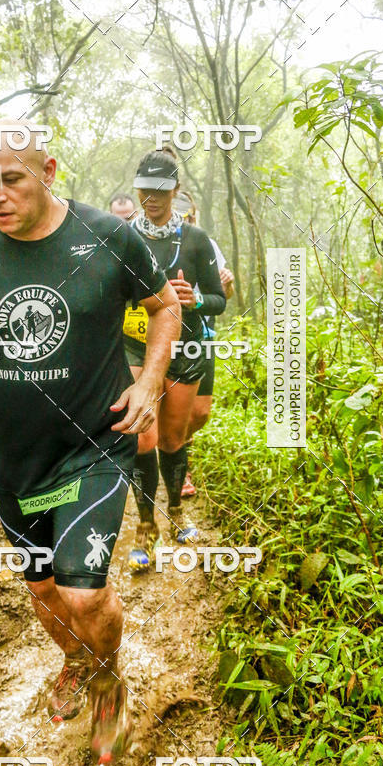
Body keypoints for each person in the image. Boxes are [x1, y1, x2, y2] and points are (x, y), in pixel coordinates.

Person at [0, 119, 180, 764]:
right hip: (18, 457)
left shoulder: (109, 236)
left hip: (96, 441)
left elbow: (166, 307)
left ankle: (108, 684)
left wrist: (150, 381)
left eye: (11, 179)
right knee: (44, 589)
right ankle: (78, 658)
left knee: (83, 590)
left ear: (47, 172)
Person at [122, 149, 226, 571]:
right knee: (142, 438)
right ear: (138, 189)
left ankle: (177, 514)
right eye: (146, 189)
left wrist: (195, 298)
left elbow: (219, 300)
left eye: (162, 190)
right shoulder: (122, 234)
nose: (153, 197)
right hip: (135, 345)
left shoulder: (197, 240)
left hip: (186, 348)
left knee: (171, 440)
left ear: (176, 190)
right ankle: (145, 527)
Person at [171, 191, 235, 498]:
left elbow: (225, 297)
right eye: (181, 216)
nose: (187, 221)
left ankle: (173, 444)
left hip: (203, 337)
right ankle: (178, 470)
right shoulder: (159, 245)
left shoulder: (207, 244)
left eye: (190, 215)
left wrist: (228, 284)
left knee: (199, 413)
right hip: (163, 336)